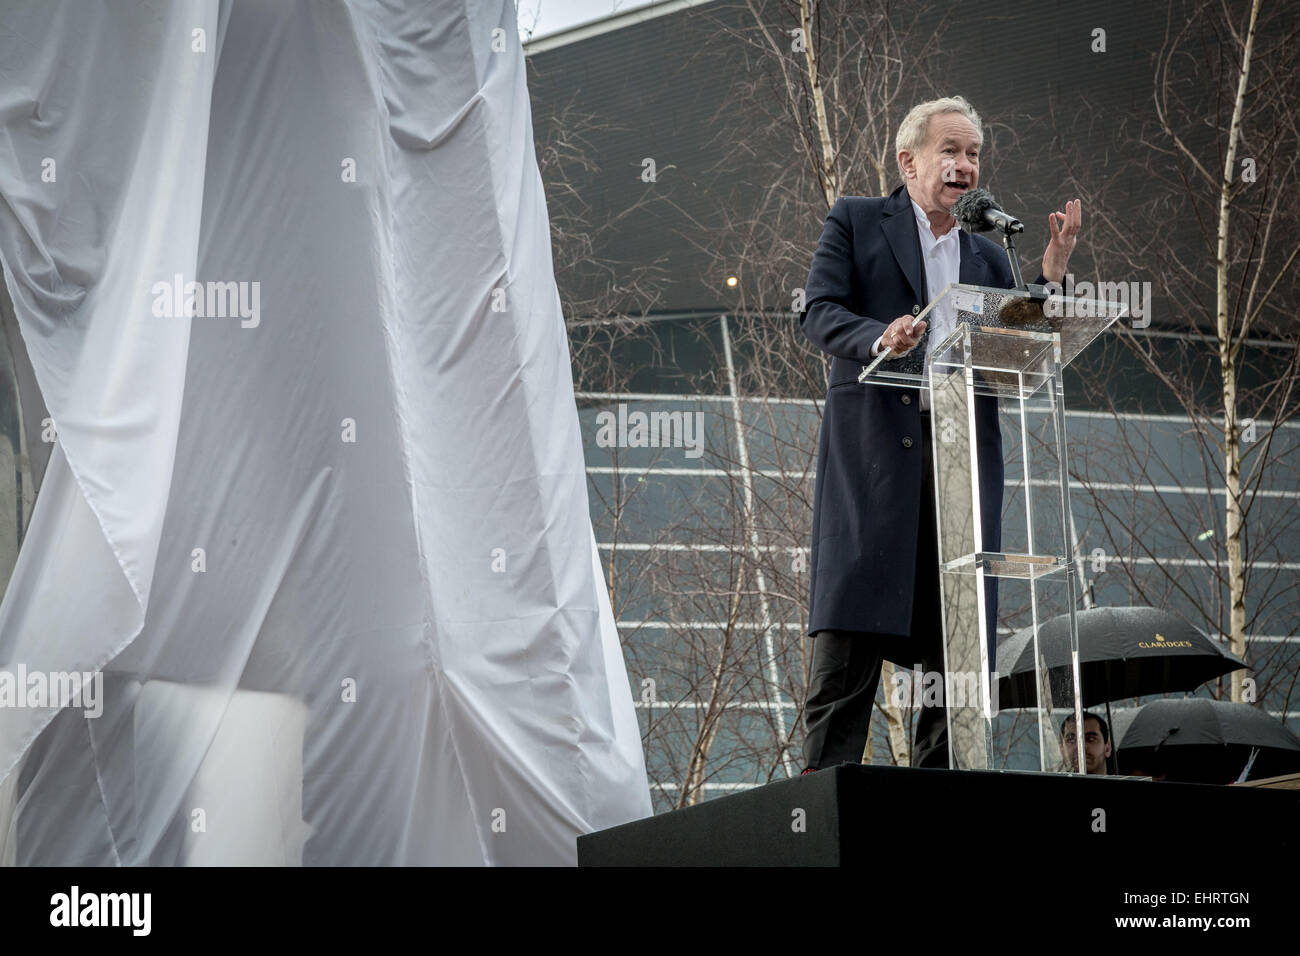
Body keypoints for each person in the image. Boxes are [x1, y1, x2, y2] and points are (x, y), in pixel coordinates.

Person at [799, 95, 1081, 772]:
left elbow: (1021, 343)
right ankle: (819, 800)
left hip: (962, 471)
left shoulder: (986, 255)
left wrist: (1050, 274)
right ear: (909, 160)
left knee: (953, 649)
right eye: (950, 151)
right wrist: (880, 336)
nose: (964, 165)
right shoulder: (858, 221)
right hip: (875, 463)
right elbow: (817, 313)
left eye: (974, 154)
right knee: (851, 636)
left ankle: (939, 800)